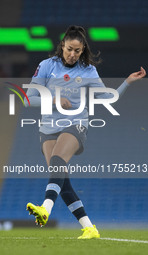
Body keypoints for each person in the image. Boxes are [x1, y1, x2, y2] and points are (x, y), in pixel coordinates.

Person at [24, 25, 146, 239]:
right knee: (62, 181)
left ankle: (45, 208)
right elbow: (28, 99)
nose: (72, 54)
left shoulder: (88, 71)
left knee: (58, 161)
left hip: (76, 124)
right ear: (62, 45)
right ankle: (90, 228)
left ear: (83, 51)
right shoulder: (46, 66)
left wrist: (127, 82)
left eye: (77, 51)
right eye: (69, 49)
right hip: (48, 128)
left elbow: (107, 98)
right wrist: (53, 100)